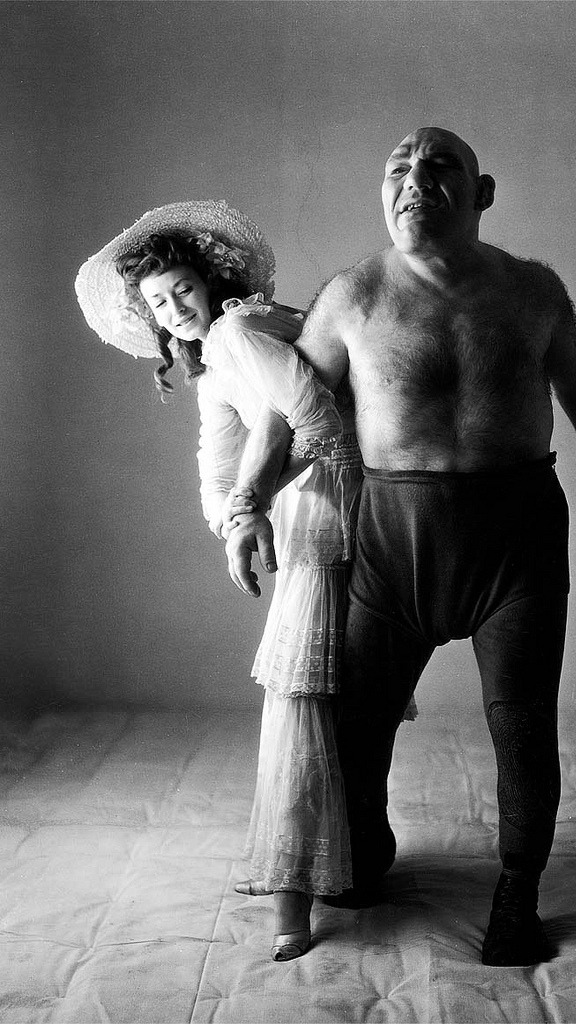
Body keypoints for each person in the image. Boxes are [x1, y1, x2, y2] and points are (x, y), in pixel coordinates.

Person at [224, 127, 576, 968]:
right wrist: (246, 502)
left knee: (522, 726)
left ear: (483, 191)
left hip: (517, 542)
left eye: (439, 166)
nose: (415, 180)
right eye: (398, 168)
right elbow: (289, 414)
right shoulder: (351, 297)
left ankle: (515, 895)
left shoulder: (533, 292)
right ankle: (365, 843)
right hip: (393, 542)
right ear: (380, 193)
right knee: (356, 726)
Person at [75, 200, 362, 962]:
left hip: (338, 509)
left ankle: (296, 896)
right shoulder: (212, 370)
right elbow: (214, 473)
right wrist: (235, 522)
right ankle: (334, 866)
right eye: (159, 304)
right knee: (316, 705)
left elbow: (319, 422)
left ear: (211, 281)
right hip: (301, 516)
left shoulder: (240, 330)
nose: (175, 311)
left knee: (299, 704)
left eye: (182, 290)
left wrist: (252, 502)